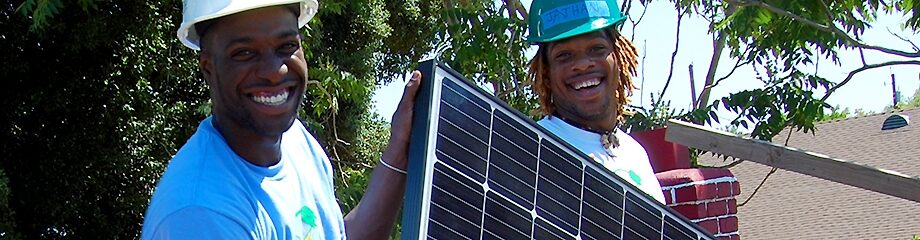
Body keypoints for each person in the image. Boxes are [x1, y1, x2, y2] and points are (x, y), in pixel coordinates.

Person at [141, 0, 419, 239]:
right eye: (244, 53)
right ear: (208, 68)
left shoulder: (296, 142)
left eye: (286, 46)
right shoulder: (201, 213)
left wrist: (402, 148)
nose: (275, 71)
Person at [526, 0, 666, 203]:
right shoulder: (534, 149)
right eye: (564, 55)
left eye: (596, 48)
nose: (582, 65)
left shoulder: (634, 152)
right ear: (546, 73)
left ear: (618, 57)